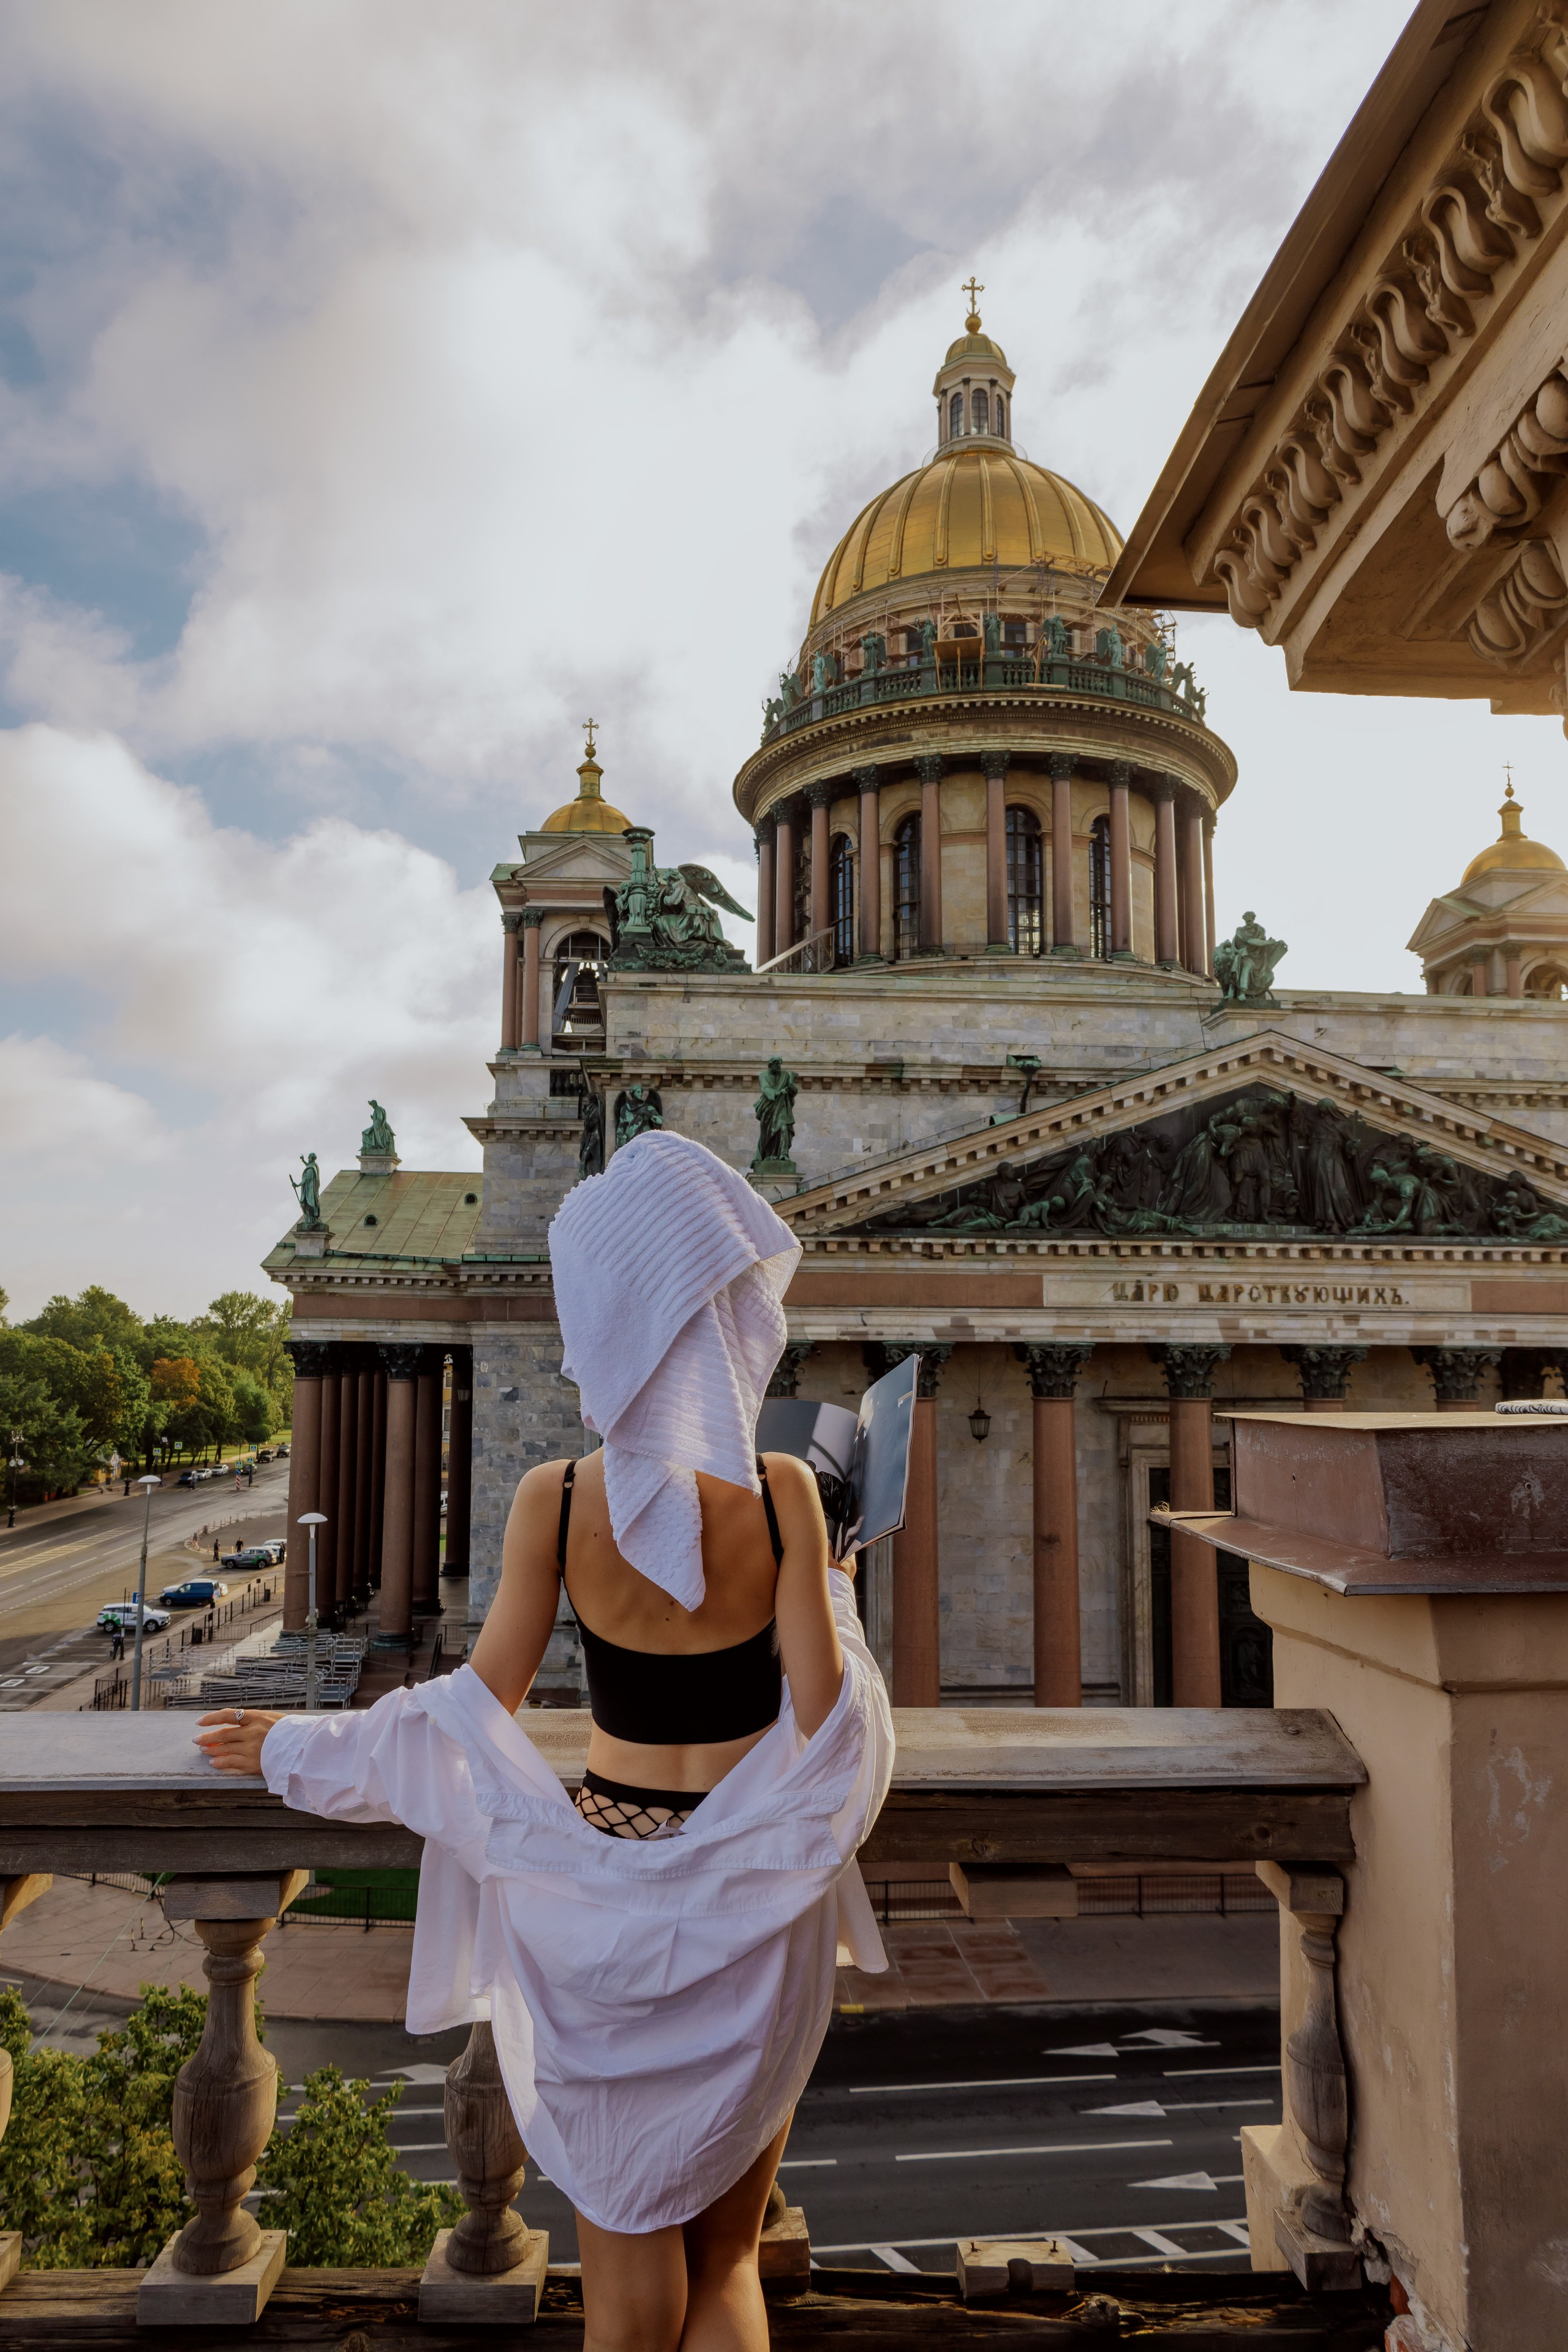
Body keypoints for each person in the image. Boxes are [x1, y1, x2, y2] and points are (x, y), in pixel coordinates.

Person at [195, 1132, 893, 2352]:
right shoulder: (785, 1490)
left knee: (625, 2281)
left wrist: (290, 1748)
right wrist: (830, 1586)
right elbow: (828, 1721)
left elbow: (470, 1710)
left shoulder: (558, 1499)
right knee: (728, 2260)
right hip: (751, 1913)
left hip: (598, 1906)